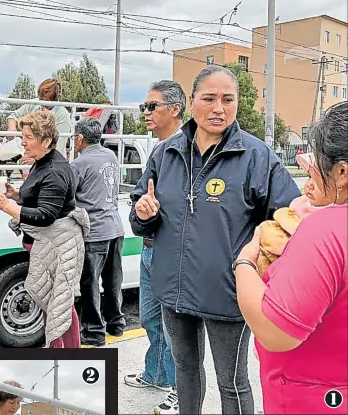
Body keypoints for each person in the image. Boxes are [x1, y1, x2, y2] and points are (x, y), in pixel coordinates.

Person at [129, 65, 300, 415]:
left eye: (228, 99)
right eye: (208, 99)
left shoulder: (256, 157)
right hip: (172, 290)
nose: (218, 108)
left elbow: (288, 219)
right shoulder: (166, 153)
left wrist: (251, 264)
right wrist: (144, 214)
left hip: (228, 294)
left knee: (232, 382)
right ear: (191, 103)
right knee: (187, 371)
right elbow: (140, 215)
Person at [235, 100, 348, 414]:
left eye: (317, 168)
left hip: (316, 397)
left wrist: (244, 263)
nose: (309, 182)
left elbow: (275, 331)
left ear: (341, 172)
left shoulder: (327, 230)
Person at [0, 111, 89, 348]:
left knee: (60, 305)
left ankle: (66, 352)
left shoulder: (55, 170)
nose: (22, 141)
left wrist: (9, 206)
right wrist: (17, 195)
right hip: (47, 246)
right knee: (55, 303)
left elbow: (46, 215)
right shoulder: (43, 163)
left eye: (28, 137)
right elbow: (40, 196)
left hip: (56, 246)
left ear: (45, 140)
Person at [124, 80, 184, 414]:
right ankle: (157, 373)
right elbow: (139, 196)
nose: (146, 113)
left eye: (152, 106)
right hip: (149, 246)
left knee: (176, 326)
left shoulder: (187, 149)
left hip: (169, 250)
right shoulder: (159, 148)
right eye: (144, 107)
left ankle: (181, 388)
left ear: (174, 109)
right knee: (150, 318)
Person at [71, 117, 126, 347]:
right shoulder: (110, 156)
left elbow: (68, 195)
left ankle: (94, 332)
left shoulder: (78, 164)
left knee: (90, 283)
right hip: (115, 226)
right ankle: (116, 323)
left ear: (80, 138)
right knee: (113, 280)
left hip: (94, 232)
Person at [6, 78, 71, 158]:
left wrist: (37, 160)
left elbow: (58, 147)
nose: (41, 101)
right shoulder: (35, 104)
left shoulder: (63, 115)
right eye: (40, 98)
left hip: (50, 161)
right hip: (31, 156)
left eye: (45, 100)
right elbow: (13, 116)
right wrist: (11, 128)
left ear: (55, 99)